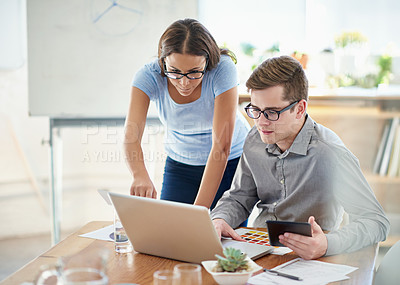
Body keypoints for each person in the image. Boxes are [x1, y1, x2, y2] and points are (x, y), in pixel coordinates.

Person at [211, 55, 390, 259]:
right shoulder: (255, 139)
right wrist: (219, 219)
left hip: (314, 256)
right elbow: (239, 198)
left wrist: (327, 244)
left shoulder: (330, 153)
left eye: (271, 112)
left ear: (300, 109)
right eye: (255, 110)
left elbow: (376, 222)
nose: (260, 122)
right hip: (261, 248)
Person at [123, 18, 250, 209]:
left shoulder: (223, 69)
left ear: (207, 63)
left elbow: (221, 146)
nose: (184, 83)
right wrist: (139, 175)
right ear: (163, 61)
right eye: (174, 71)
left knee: (223, 231)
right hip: (180, 164)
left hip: (230, 161)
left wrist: (198, 213)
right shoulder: (148, 75)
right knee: (172, 230)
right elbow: (131, 136)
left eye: (194, 72)